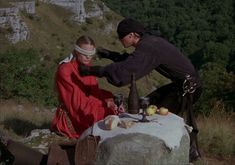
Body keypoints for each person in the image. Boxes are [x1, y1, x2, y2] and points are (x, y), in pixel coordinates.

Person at [79, 18, 202, 162]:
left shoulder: (149, 46)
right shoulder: (149, 41)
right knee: (145, 107)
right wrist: (109, 54)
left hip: (188, 89)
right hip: (182, 86)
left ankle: (178, 153)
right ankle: (183, 151)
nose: (119, 39)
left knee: (153, 118)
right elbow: (131, 61)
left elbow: (127, 71)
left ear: (131, 35)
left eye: (121, 36)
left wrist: (94, 70)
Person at [51, 35, 117, 139]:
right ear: (77, 52)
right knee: (109, 115)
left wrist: (109, 100)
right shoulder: (65, 70)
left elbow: (93, 92)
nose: (88, 57)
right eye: (85, 53)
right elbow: (77, 104)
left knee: (114, 103)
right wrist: (104, 104)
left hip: (86, 104)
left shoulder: (87, 68)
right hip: (74, 115)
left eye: (91, 54)